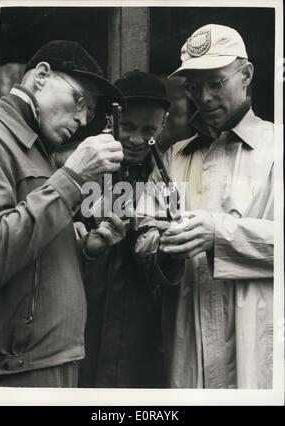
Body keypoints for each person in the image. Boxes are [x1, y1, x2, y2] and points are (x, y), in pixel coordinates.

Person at [138, 24, 274, 389]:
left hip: (258, 350)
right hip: (188, 352)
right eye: (194, 86)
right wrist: (165, 248)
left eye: (215, 82)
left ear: (246, 75)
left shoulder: (277, 149)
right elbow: (143, 241)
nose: (204, 97)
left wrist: (218, 233)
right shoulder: (172, 157)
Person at [0, 40, 127, 387]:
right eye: (80, 100)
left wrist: (86, 250)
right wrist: (72, 177)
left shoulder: (37, 145)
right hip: (23, 366)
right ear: (41, 76)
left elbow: (35, 258)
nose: (84, 119)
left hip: (53, 356)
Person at [77, 70, 183, 388]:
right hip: (83, 326)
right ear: (111, 120)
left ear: (163, 125)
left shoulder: (170, 179)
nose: (137, 139)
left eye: (148, 129)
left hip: (142, 336)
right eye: (129, 127)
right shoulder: (79, 166)